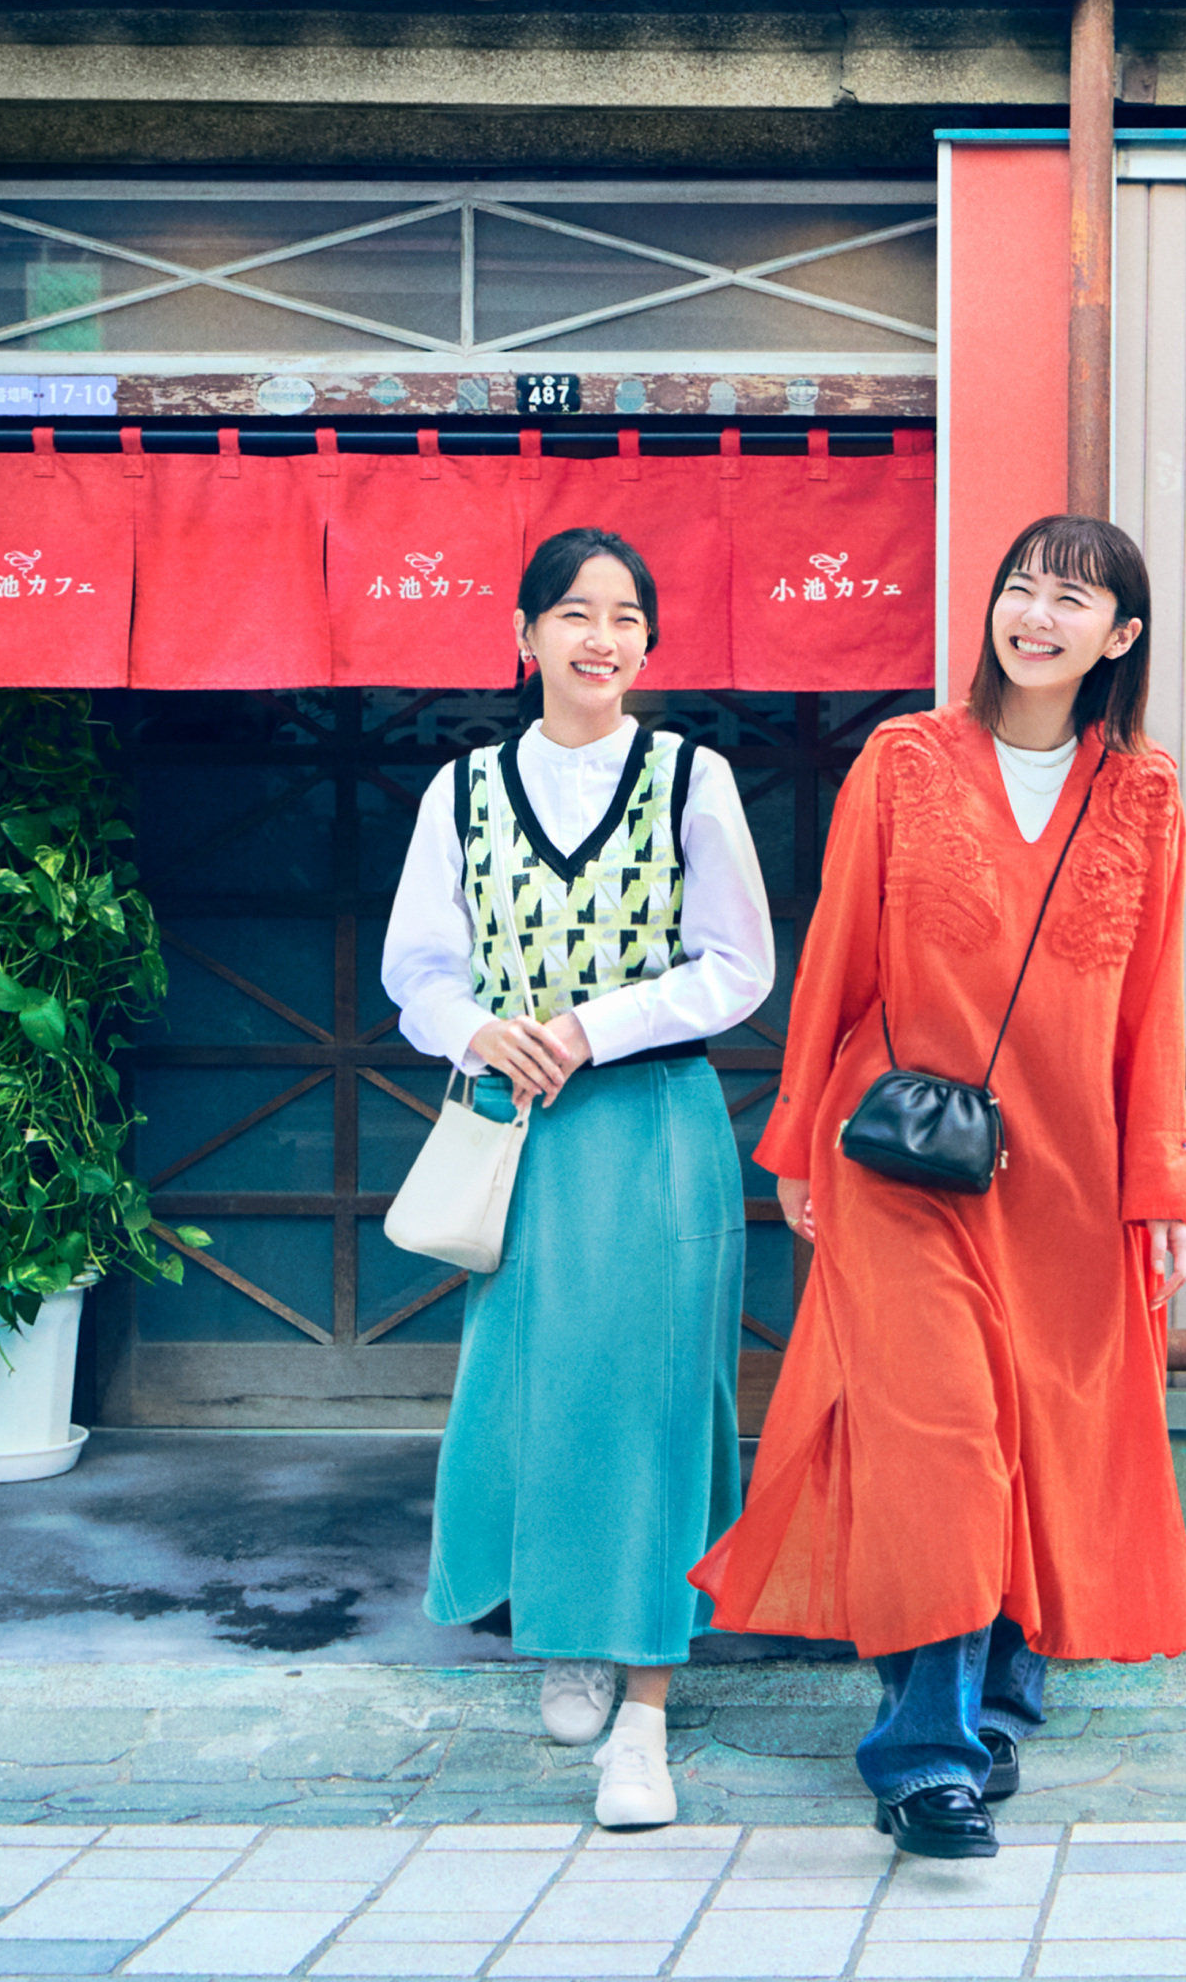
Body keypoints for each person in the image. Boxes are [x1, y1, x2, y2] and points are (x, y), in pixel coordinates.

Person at [693, 513, 1186, 1860]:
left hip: (1074, 1180)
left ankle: (997, 1705)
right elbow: (837, 960)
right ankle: (925, 1756)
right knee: (941, 1445)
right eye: (1021, 590)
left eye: (1074, 601)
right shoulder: (904, 760)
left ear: (1120, 638)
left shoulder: (1144, 794)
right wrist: (799, 1137)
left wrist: (1159, 1195)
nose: (1038, 617)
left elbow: (1152, 1011)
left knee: (1038, 1433)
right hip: (905, 1167)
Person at [381, 527, 774, 1830]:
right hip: (523, 1134)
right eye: (574, 614)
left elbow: (738, 966)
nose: (600, 639)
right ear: (524, 633)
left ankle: (646, 1720)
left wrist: (595, 1026)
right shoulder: (467, 790)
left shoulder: (688, 779)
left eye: (624, 617)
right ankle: (567, 1631)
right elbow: (417, 967)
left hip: (656, 1123)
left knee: (659, 1403)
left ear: (648, 643)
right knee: (537, 1390)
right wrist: (472, 1028)